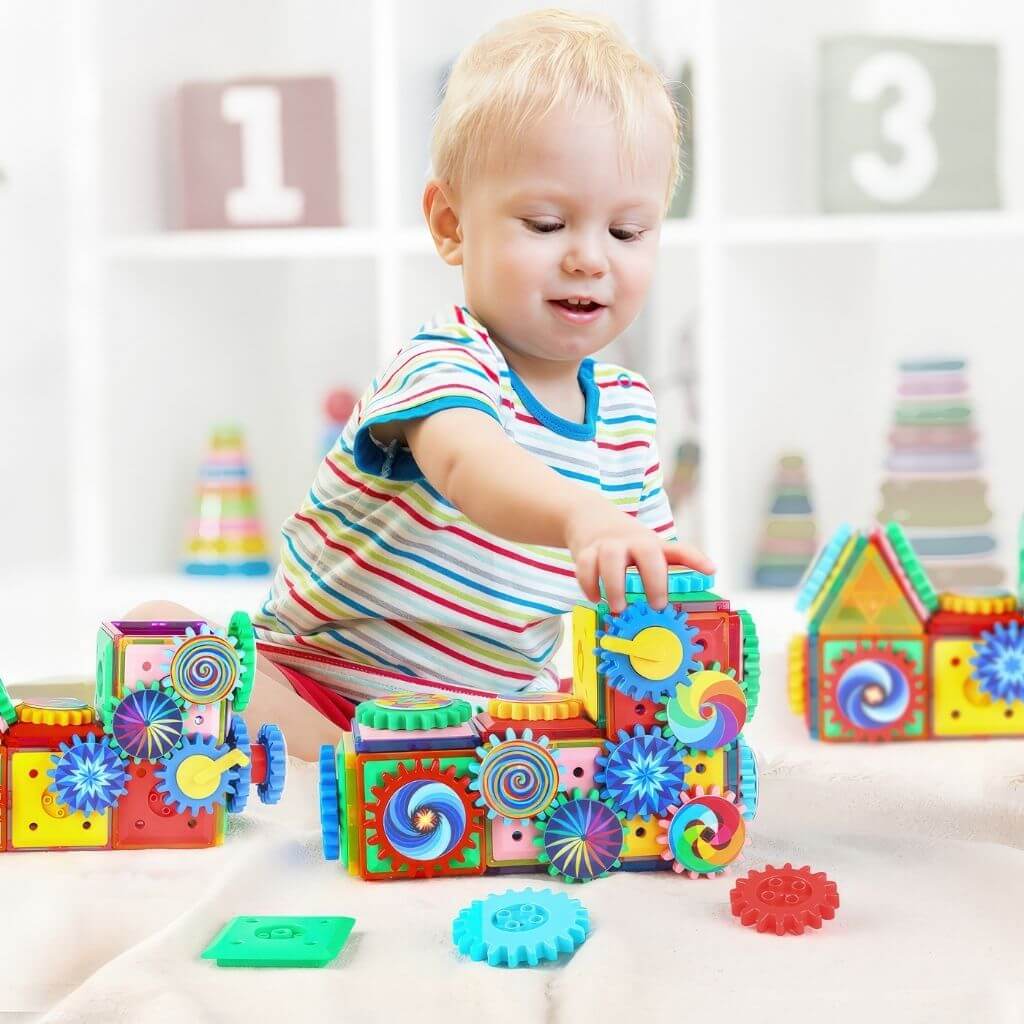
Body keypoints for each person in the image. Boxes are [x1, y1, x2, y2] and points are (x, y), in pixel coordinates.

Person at [128, 9, 713, 760]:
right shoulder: (444, 361)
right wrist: (582, 516)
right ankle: (332, 764)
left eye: (627, 232)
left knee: (566, 743)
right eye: (544, 223)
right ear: (451, 224)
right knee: (159, 633)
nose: (589, 259)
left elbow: (637, 585)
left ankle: (401, 771)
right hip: (320, 684)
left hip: (474, 724)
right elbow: (470, 465)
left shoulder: (629, 415)